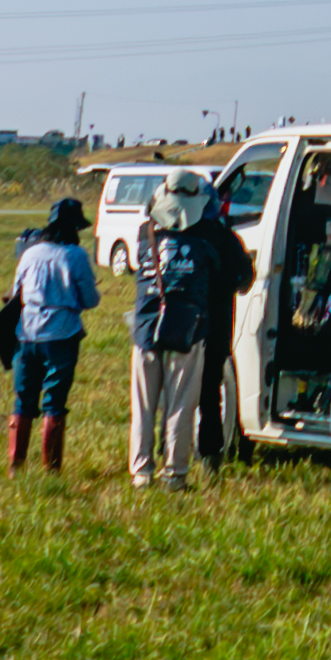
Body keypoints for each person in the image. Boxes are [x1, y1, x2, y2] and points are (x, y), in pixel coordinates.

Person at [127, 171, 220, 485]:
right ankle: (176, 474)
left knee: (143, 405)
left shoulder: (145, 232)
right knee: (180, 405)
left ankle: (141, 473)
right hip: (188, 329)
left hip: (145, 327)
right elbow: (223, 276)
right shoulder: (206, 237)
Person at [6, 191, 98, 473]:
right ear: (75, 228)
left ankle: (15, 466)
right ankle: (51, 469)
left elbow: (14, 295)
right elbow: (91, 300)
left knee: (23, 401)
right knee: (54, 403)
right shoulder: (76, 255)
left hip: (26, 335)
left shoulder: (30, 253)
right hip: (61, 336)